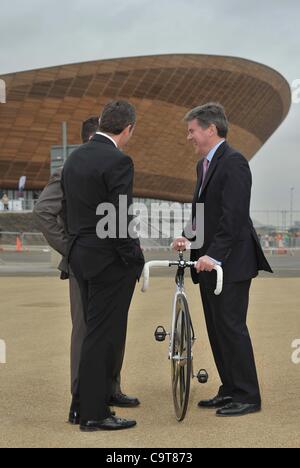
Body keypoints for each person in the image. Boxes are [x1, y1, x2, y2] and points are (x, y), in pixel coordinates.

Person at [33, 116, 140, 428]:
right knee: (86, 331)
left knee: (110, 329)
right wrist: (70, 248)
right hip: (86, 262)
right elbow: (43, 212)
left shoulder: (103, 164)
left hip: (106, 259)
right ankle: (81, 400)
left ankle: (108, 389)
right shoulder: (69, 169)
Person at [173, 103, 272, 417]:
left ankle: (247, 395)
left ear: (210, 129)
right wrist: (187, 237)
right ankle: (229, 388)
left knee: (231, 327)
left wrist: (213, 255)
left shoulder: (234, 162)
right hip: (208, 264)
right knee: (217, 330)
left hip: (230, 264)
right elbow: (202, 214)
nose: (189, 137)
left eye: (192, 130)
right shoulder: (203, 166)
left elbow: (233, 216)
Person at [62, 101, 145, 432]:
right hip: (108, 261)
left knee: (91, 333)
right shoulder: (119, 161)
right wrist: (134, 258)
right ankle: (95, 414)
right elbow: (120, 218)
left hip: (79, 255)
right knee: (102, 336)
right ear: (127, 129)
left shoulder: (75, 158)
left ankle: (80, 405)